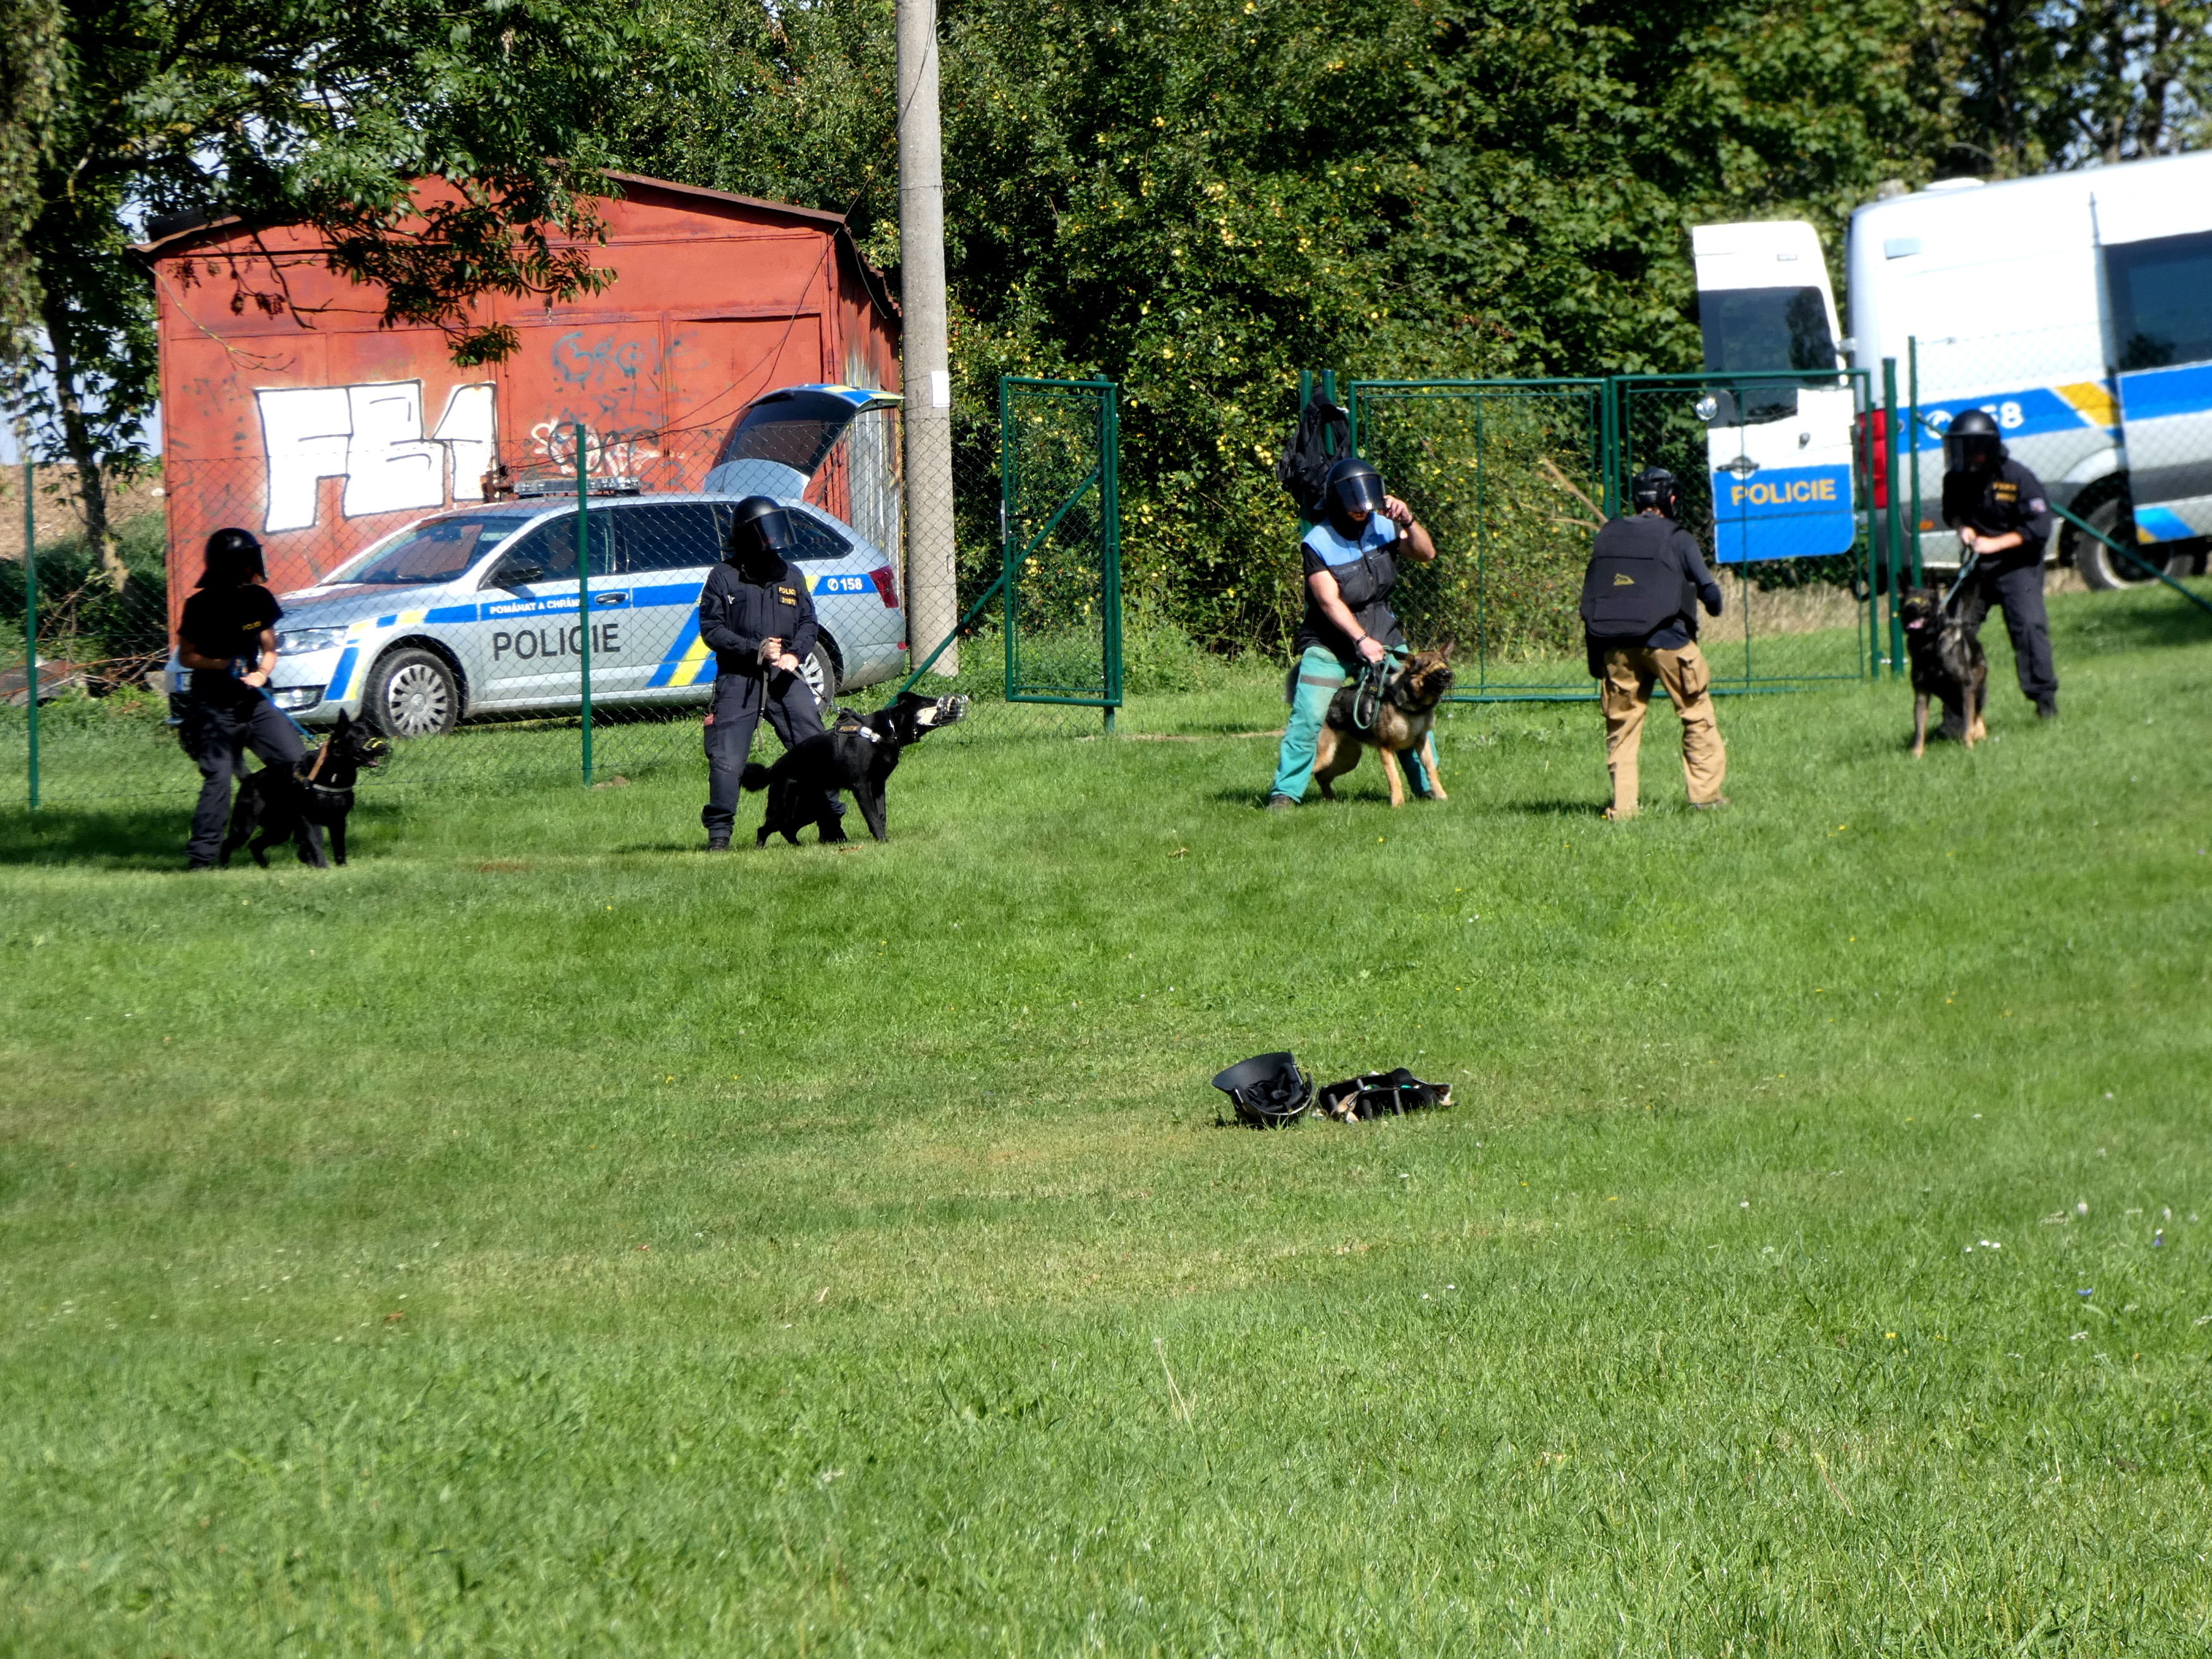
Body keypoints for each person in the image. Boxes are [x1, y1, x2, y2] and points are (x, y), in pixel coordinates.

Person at [1265, 456, 1438, 809]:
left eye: (1366, 504)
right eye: (1354, 505)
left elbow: (1426, 553)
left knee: (1410, 707)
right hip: (1331, 643)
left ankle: (1427, 791)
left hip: (1384, 636)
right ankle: (1285, 794)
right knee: (1308, 717)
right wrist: (1361, 640)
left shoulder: (1384, 526)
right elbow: (1328, 602)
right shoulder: (1318, 541)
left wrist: (1407, 520)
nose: (1362, 511)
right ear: (1337, 501)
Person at [1580, 467, 1728, 820]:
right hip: (1669, 642)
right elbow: (1709, 592)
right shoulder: (1677, 537)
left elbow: (1594, 592)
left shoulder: (1609, 534)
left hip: (1617, 647)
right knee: (1696, 715)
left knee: (1622, 726)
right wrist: (1714, 607)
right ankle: (1705, 798)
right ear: (1672, 500)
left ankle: (1624, 808)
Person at [698, 495, 834, 850]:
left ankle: (831, 822)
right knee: (727, 759)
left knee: (815, 748)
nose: (774, 540)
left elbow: (808, 622)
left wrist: (794, 655)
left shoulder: (792, 575)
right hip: (738, 679)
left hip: (784, 677)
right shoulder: (723, 576)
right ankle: (719, 836)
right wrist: (753, 648)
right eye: (766, 533)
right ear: (748, 536)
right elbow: (711, 629)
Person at [176, 528, 304, 870]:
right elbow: (187, 656)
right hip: (213, 706)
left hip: (254, 702)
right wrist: (222, 664)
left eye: (251, 561)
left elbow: (270, 650)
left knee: (297, 765)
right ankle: (202, 860)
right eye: (243, 562)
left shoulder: (258, 598)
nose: (250, 568)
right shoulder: (200, 605)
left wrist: (261, 673)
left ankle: (309, 848)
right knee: (218, 778)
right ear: (225, 565)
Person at [1940, 407, 2058, 722]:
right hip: (1977, 566)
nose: (1962, 456)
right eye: (1957, 449)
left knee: (2029, 627)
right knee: (1954, 632)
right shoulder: (1955, 478)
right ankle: (1956, 716)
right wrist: (1963, 528)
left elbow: (2039, 529)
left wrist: (1995, 544)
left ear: (1986, 449)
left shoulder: (2018, 478)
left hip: (2016, 565)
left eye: (1969, 449)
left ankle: (2044, 701)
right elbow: (1952, 512)